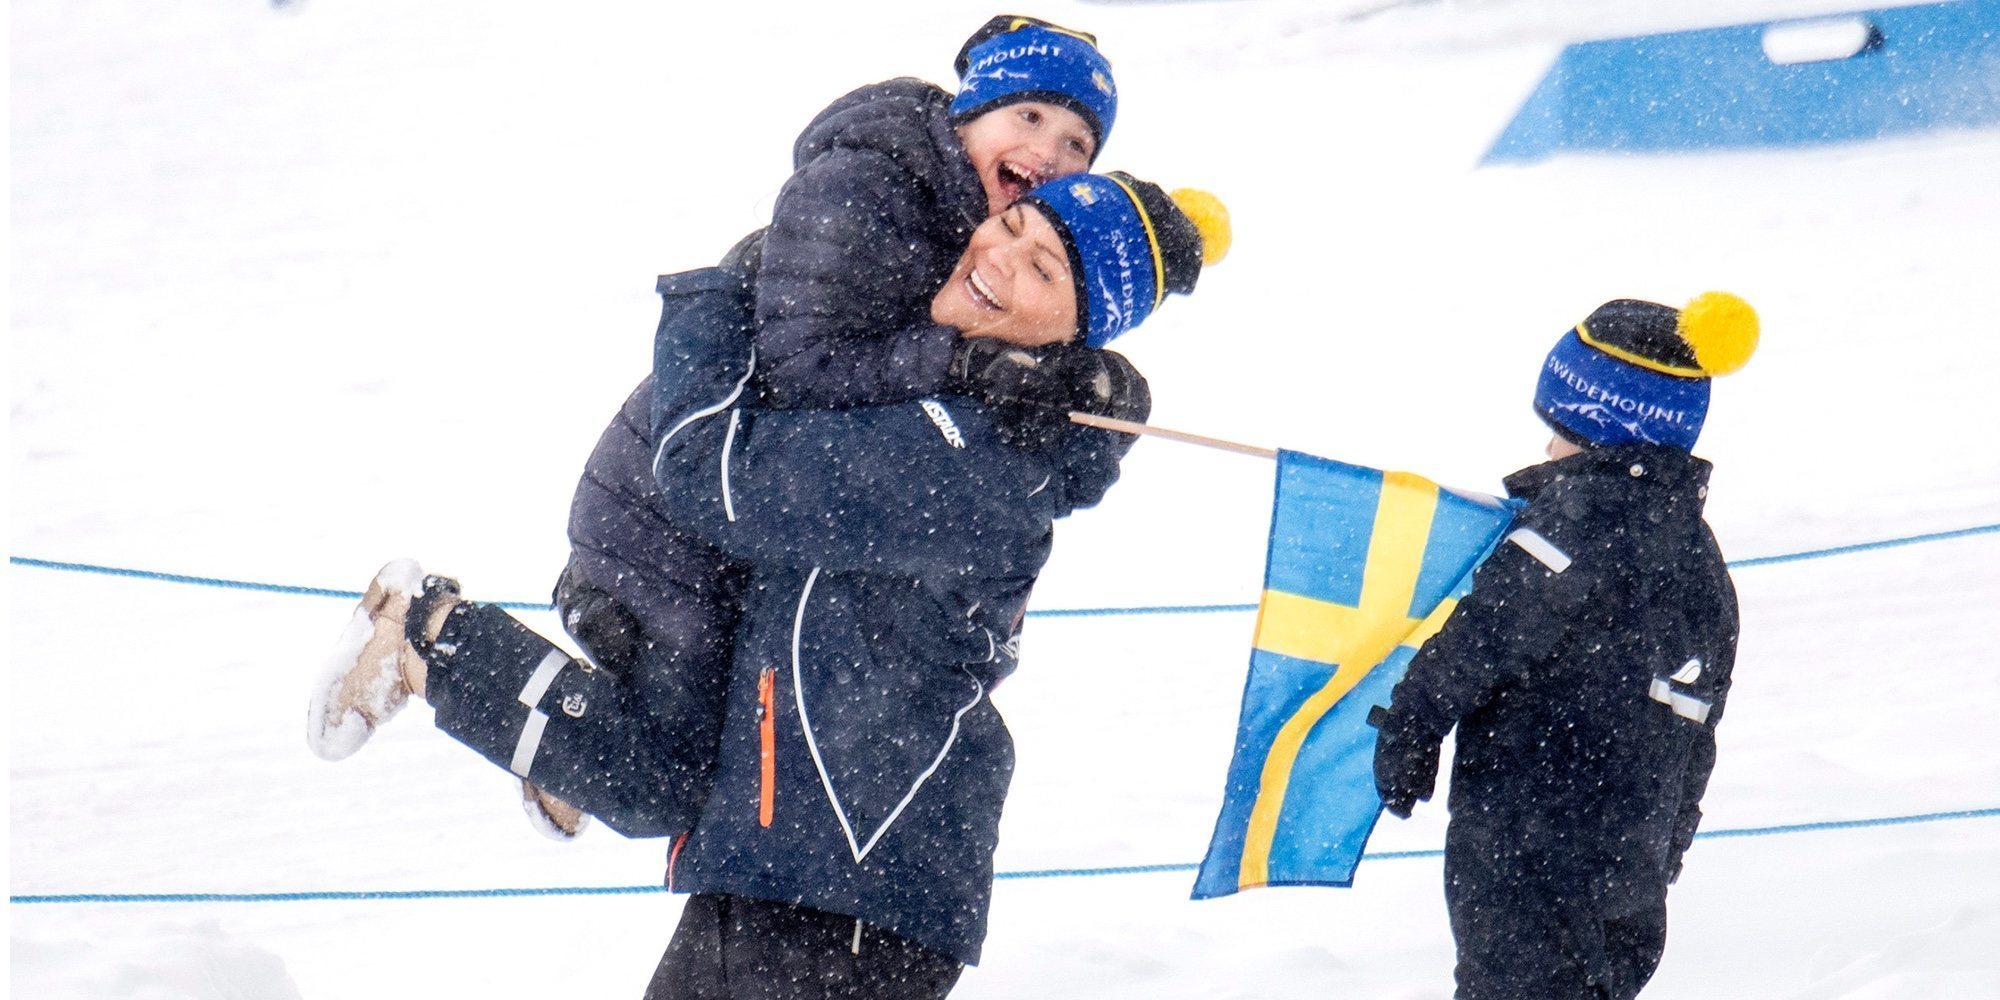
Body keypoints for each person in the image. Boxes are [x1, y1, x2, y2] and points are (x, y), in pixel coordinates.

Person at [314, 172, 1227, 999]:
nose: (1001, 259)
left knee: (649, 779)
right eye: (1013, 226)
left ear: (1074, 332)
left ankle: (446, 652)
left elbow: (720, 479)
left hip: (843, 881)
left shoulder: (970, 455)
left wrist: (719, 293)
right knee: (649, 778)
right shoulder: (950, 387)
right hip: (820, 863)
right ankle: (492, 689)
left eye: (1044, 272)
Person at [308, 14, 1129, 837]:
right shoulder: (866, 187)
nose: (1049, 155)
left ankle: (573, 741)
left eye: (1077, 145)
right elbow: (802, 368)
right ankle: (421, 635)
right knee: (669, 786)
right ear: (969, 110)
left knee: (715, 757)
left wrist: (1099, 393)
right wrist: (957, 365)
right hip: (676, 497)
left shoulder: (986, 236)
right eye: (1029, 118)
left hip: (752, 517)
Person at [1368, 293, 1759, 1000]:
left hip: (1529, 844)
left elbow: (1486, 633)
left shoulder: (1575, 524)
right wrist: (1666, 844)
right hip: (1628, 869)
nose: (1549, 448)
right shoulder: (1703, 563)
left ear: (1605, 428)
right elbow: (1697, 723)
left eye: (1563, 432)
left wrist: (1414, 722)